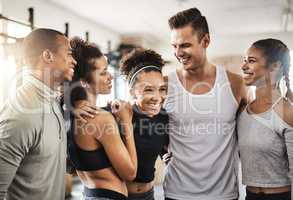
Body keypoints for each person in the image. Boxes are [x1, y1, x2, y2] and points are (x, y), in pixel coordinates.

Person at [163, 8, 247, 200]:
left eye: (184, 45)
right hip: (177, 194)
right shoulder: (165, 85)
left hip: (224, 195)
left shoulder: (235, 84)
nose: (178, 53)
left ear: (206, 41)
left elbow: (250, 136)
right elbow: (147, 124)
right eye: (174, 46)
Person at [0, 28, 76, 200]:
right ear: (48, 56)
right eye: (69, 54)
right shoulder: (21, 113)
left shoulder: (53, 102)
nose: (74, 61)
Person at [66, 37, 137, 200]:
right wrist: (126, 122)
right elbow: (130, 173)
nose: (110, 77)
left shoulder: (68, 112)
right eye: (103, 72)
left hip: (89, 193)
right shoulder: (100, 119)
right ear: (83, 81)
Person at [238, 38, 293, 200]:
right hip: (250, 195)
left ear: (275, 66)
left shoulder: (287, 112)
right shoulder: (243, 110)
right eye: (244, 61)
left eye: (251, 61)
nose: (243, 66)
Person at [119, 48, 169, 200]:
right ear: (132, 92)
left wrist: (166, 154)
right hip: (121, 196)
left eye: (161, 89)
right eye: (148, 90)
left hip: (149, 195)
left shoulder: (163, 117)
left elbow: (161, 145)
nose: (157, 97)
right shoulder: (119, 115)